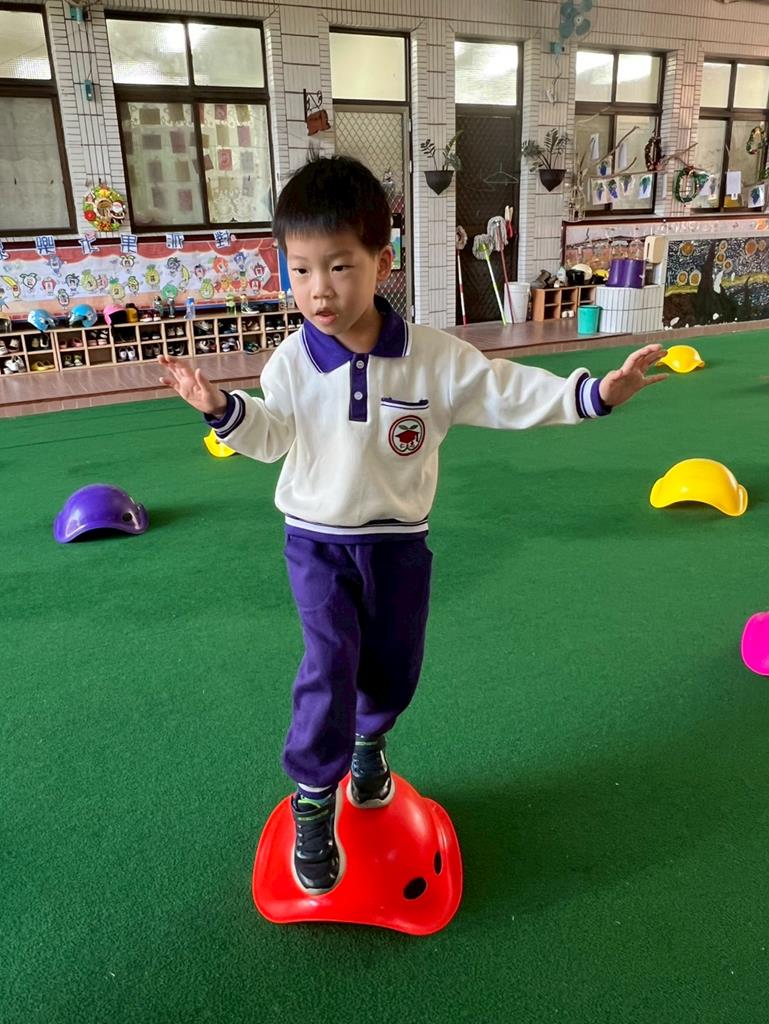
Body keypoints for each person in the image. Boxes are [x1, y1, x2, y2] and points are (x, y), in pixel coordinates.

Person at [159, 155, 667, 897]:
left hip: (397, 545)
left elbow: (505, 392)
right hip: (317, 544)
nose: (319, 289)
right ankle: (313, 797)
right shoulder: (291, 362)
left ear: (382, 261)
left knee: (391, 668)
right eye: (300, 270)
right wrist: (220, 409)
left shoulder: (433, 359)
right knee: (329, 663)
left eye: (339, 266)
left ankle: (369, 745)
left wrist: (592, 395)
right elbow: (270, 437)